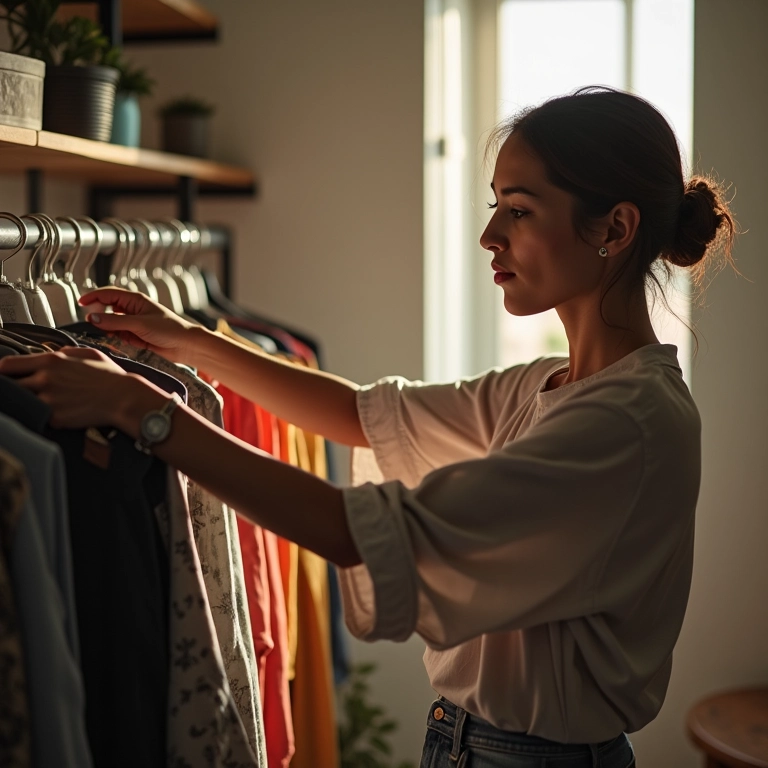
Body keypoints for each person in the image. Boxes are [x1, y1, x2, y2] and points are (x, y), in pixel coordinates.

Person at [0, 86, 736, 768]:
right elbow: (361, 413)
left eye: (518, 209)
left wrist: (146, 412)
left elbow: (358, 530)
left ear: (615, 227)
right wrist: (185, 341)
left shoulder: (625, 426)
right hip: (467, 741)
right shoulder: (552, 387)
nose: (489, 235)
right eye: (495, 206)